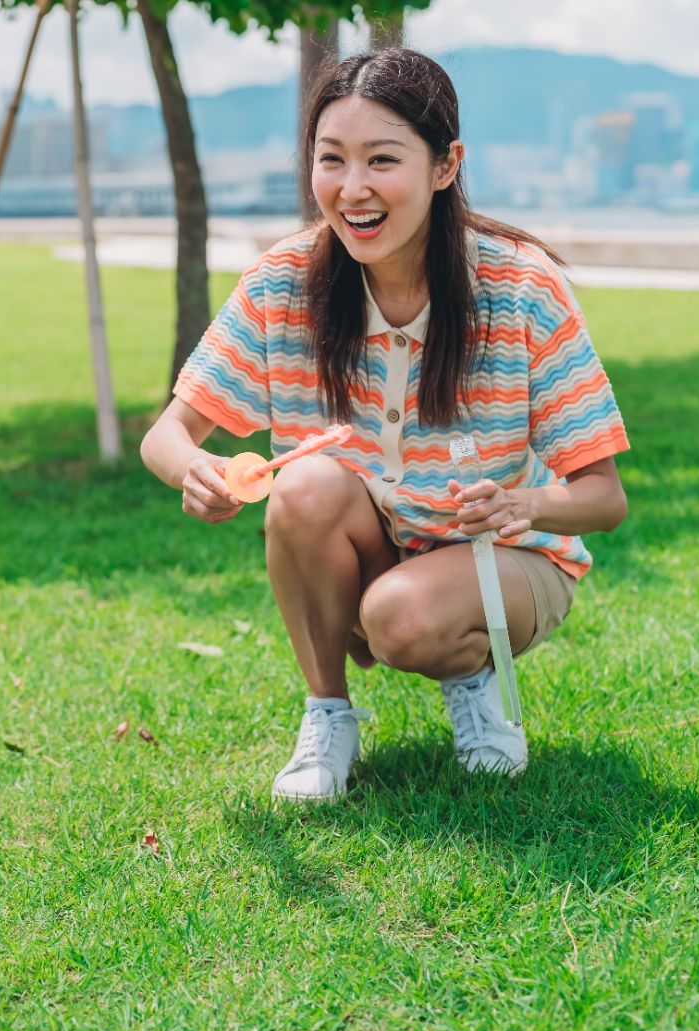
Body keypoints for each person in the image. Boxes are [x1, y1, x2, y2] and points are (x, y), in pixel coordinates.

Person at [140, 49, 630, 803]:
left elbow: (603, 498)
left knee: (402, 615)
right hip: (370, 554)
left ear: (445, 166)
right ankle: (327, 713)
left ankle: (472, 682)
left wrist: (520, 503)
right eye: (331, 159)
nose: (353, 188)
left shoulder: (522, 287)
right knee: (301, 484)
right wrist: (194, 472)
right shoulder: (284, 284)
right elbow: (167, 435)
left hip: (504, 557)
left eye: (382, 160)